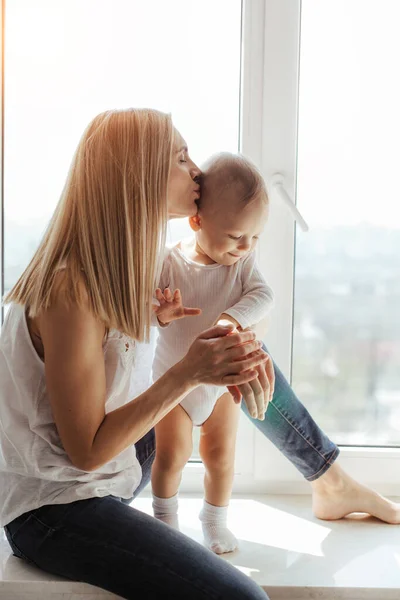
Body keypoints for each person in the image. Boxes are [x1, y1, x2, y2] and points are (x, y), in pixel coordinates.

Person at [0, 108, 270, 600]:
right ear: (138, 176)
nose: (198, 172)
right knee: (244, 599)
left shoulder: (123, 268)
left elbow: (120, 359)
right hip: (56, 507)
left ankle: (324, 471)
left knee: (239, 340)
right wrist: (190, 372)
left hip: (114, 468)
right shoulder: (70, 289)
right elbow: (87, 454)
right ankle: (327, 471)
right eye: (181, 158)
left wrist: (231, 349)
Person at [151, 153, 274, 555]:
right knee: (171, 457)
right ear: (198, 221)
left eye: (255, 237)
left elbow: (263, 295)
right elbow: (142, 310)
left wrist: (229, 321)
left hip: (220, 385)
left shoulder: (242, 265)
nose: (245, 247)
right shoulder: (168, 261)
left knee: (220, 456)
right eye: (237, 236)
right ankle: (165, 520)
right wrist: (161, 315)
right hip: (174, 379)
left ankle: (214, 519)